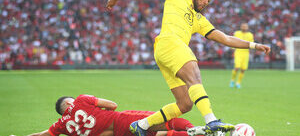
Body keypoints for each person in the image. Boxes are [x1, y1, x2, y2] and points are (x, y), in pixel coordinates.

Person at [106, 0, 271, 136]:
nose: (207, 2)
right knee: (194, 73)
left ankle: (141, 125)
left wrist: (253, 45)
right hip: (168, 42)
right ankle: (211, 120)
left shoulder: (199, 19)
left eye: (210, 0)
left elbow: (226, 38)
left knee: (185, 104)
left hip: (165, 53)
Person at [27, 94, 208, 136]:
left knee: (158, 134)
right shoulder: (81, 100)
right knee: (168, 119)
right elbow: (113, 105)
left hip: (117, 134)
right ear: (68, 103)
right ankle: (197, 131)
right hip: (122, 120)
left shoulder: (61, 126)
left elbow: (43, 135)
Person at [230, 23, 254, 89]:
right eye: (243, 26)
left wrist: (251, 51)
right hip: (238, 52)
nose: (244, 27)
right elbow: (233, 41)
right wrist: (232, 50)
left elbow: (251, 44)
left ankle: (238, 83)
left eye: (245, 26)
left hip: (246, 53)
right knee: (237, 67)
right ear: (241, 27)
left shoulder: (250, 35)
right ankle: (232, 81)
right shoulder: (237, 33)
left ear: (247, 28)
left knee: (243, 69)